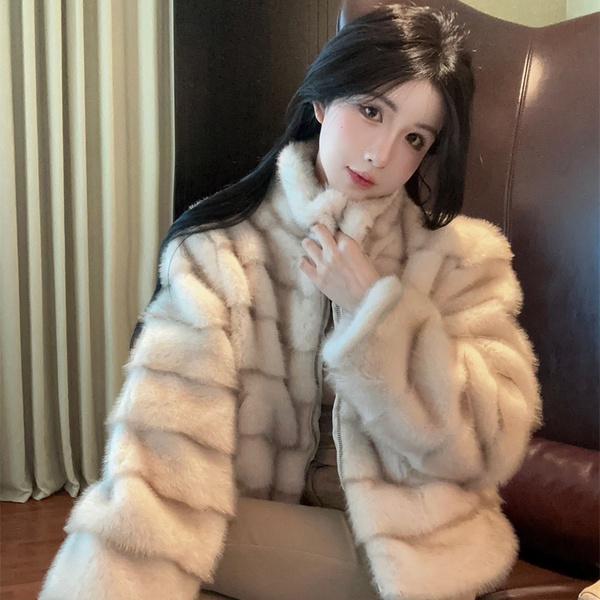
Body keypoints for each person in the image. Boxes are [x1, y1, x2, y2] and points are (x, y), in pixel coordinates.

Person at [40, 5, 541, 600]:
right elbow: (165, 444)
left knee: (161, 541)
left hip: (412, 553)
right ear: (323, 101)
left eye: (414, 138)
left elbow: (489, 445)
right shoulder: (223, 251)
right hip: (278, 531)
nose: (380, 155)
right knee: (148, 525)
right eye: (371, 111)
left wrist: (375, 310)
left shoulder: (462, 258)